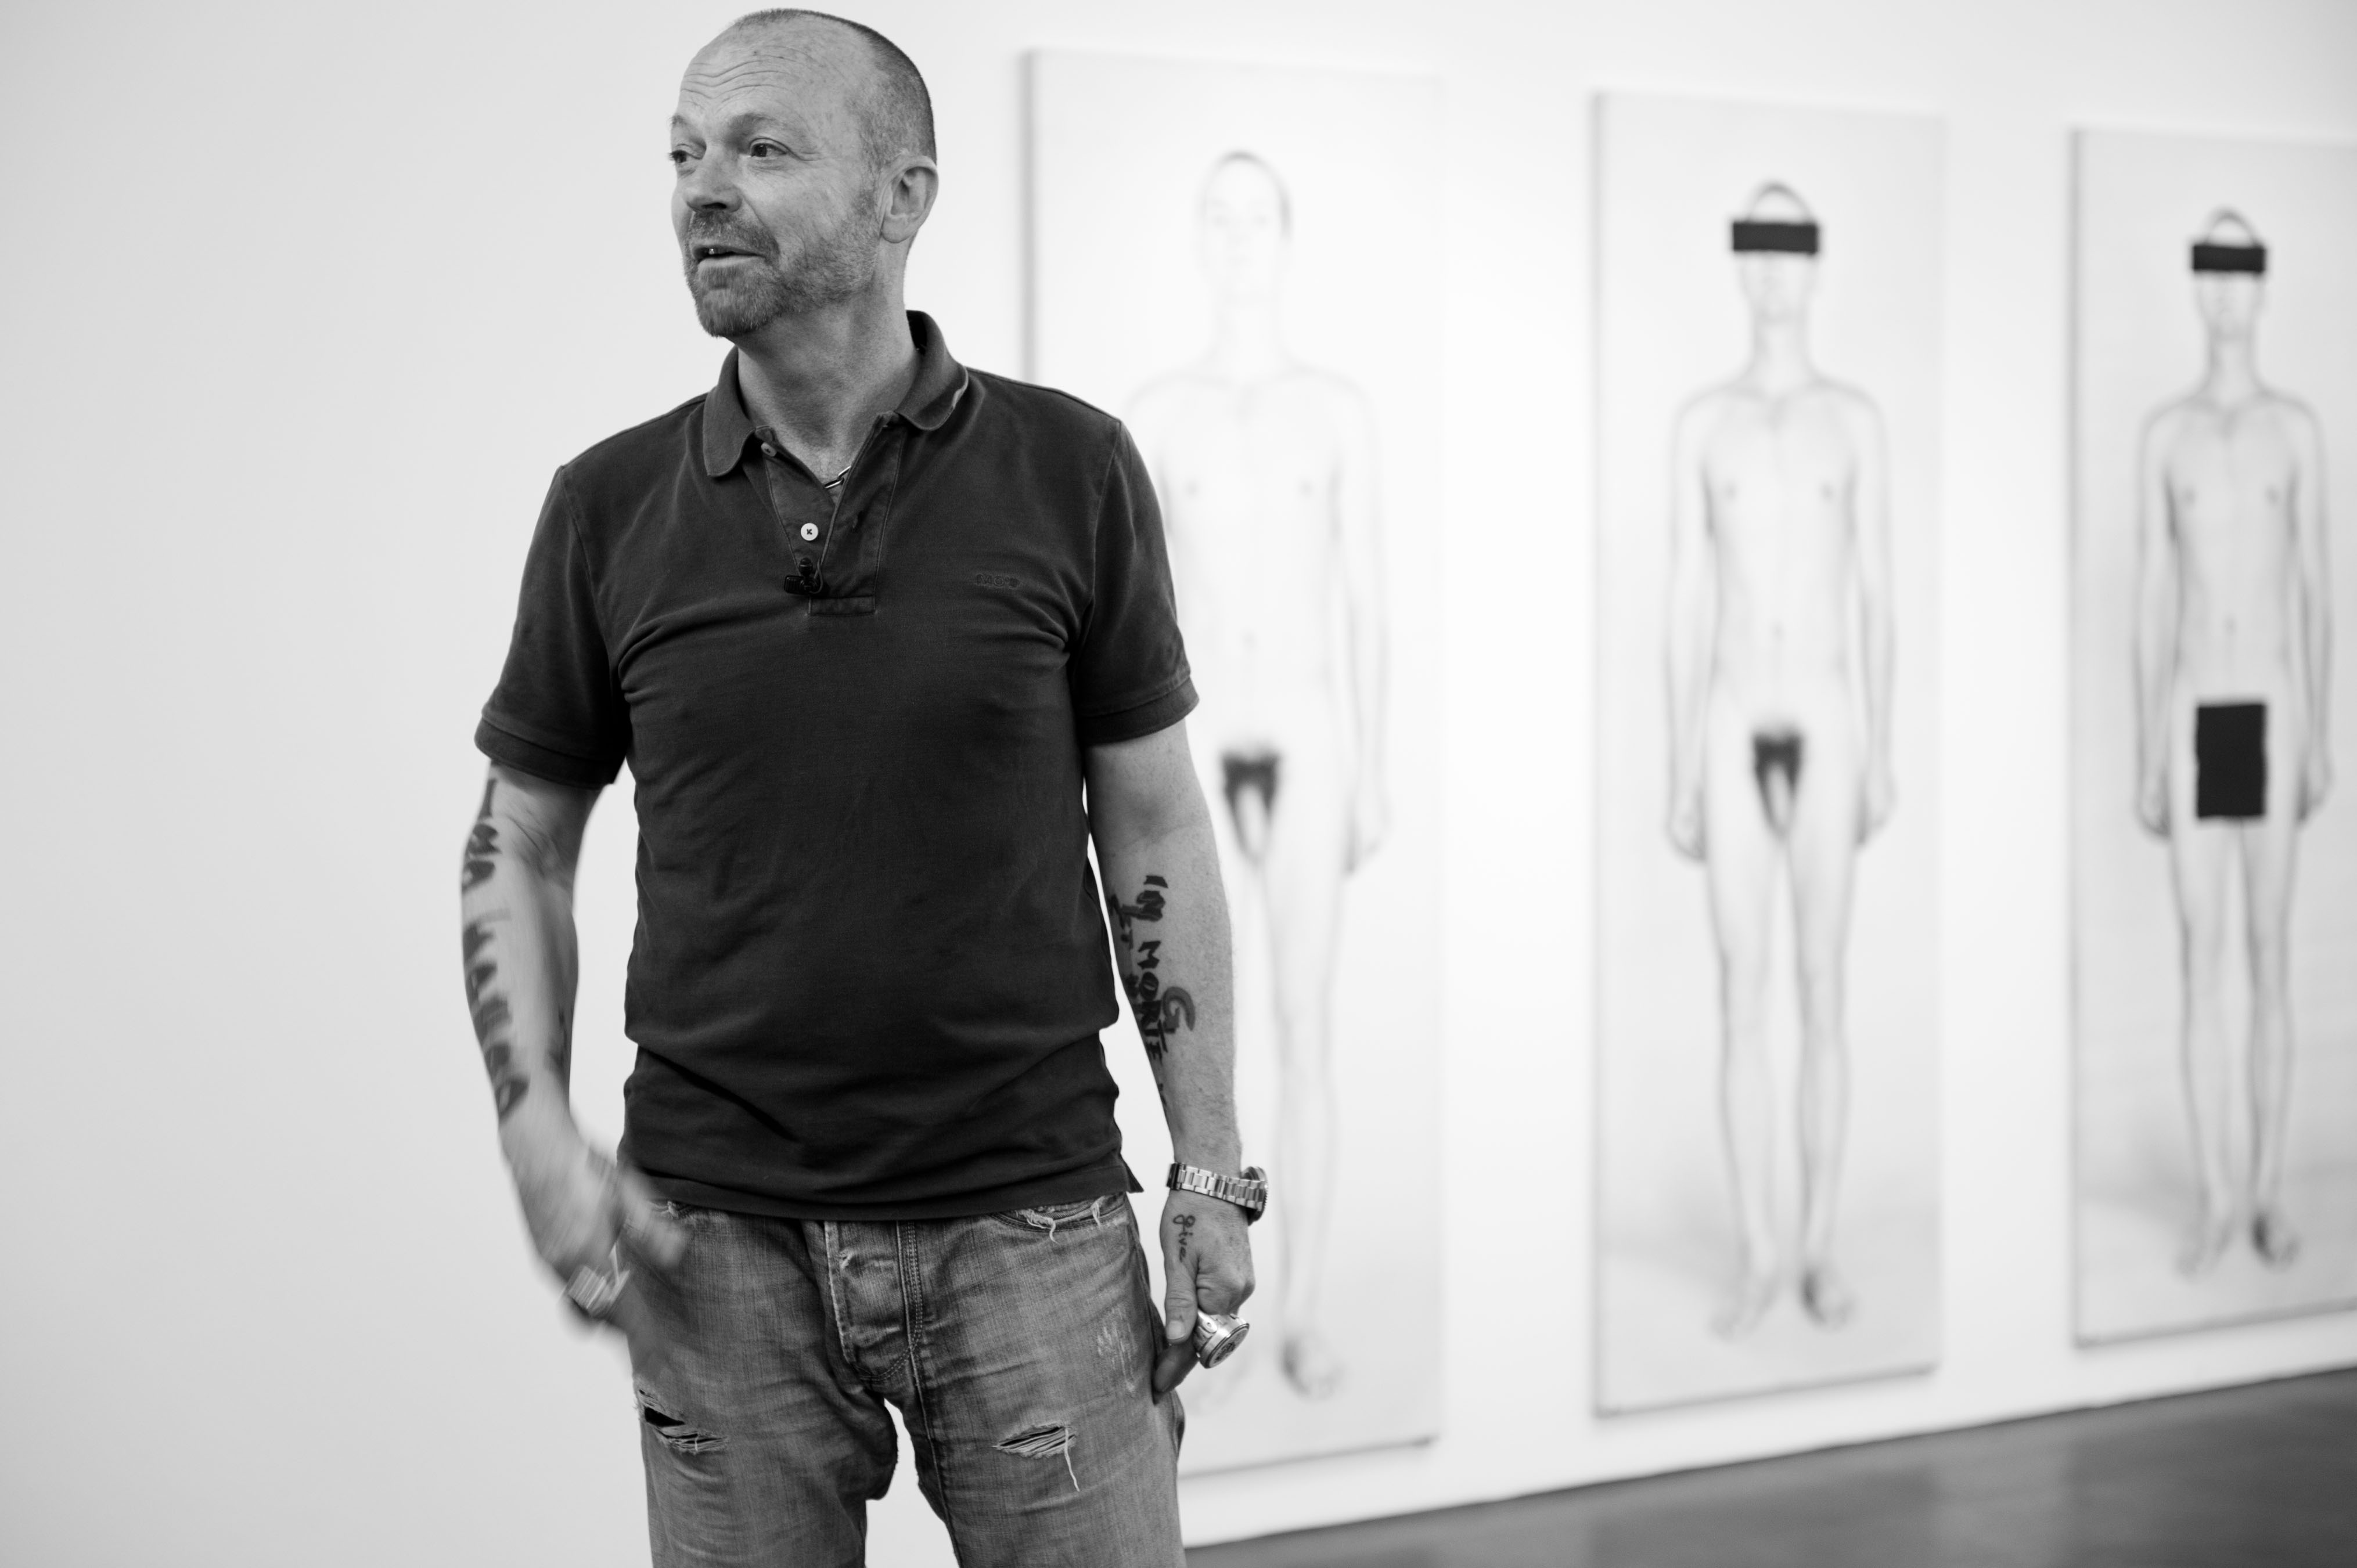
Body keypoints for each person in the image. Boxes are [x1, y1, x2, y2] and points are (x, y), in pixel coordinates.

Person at [457, 12, 1261, 1564]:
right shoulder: (606, 505)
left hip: (1031, 1228)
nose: (701, 188)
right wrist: (534, 1128)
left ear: (904, 197)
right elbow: (521, 839)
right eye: (682, 153)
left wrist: (1210, 1167)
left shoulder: (1071, 468)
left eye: (759, 148)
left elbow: (1154, 822)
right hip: (712, 1248)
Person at [1127, 152, 1387, 1399]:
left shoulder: (1334, 410)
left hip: (1308, 726)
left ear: (1287, 237)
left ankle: (1308, 1309)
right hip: (1201, 736)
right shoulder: (1157, 412)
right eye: (1217, 216)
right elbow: (1132, 617)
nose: (1239, 238)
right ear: (1200, 237)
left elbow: (1367, 600)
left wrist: (1374, 768)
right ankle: (1207, 1297)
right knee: (1195, 1046)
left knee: (1306, 1022)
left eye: (1257, 217)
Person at [1664, 183, 1897, 1340]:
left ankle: (1820, 1246)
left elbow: (1877, 592)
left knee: (1821, 985)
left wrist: (1883, 748)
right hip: (1731, 713)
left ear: (1815, 264)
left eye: (1789, 247)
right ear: (1736, 264)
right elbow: (1683, 596)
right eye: (1753, 247)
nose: (1771, 271)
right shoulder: (1701, 423)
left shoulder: (1852, 421)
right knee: (1741, 992)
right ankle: (1760, 1251)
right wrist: (1676, 765)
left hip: (1825, 708)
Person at [2135, 210, 2333, 1277]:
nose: (2223, 295)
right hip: (2195, 705)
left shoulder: (2294, 430)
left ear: (2263, 288)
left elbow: (2317, 589)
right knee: (2199, 957)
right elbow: (2151, 596)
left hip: (2270, 697)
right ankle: (2217, 1196)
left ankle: (2266, 1192)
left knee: (2268, 953)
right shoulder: (2165, 435)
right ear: (2193, 287)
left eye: (2239, 273)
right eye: (2208, 273)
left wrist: (2322, 735)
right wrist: (2144, 745)